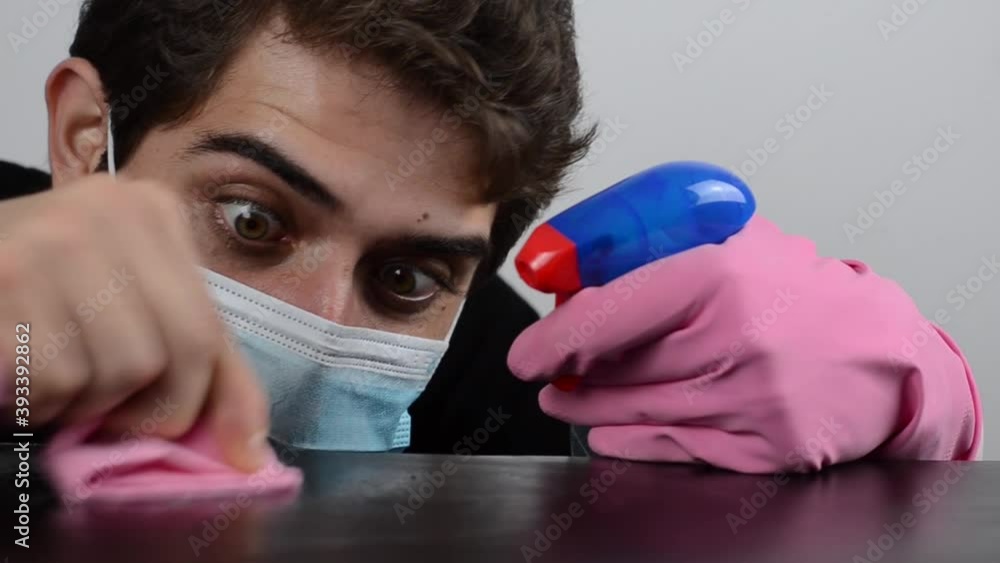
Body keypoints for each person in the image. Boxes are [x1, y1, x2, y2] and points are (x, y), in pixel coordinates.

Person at [0, 0, 980, 475]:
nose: (320, 325)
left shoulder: (504, 387)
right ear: (91, 140)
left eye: (405, 273)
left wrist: (910, 413)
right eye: (252, 219)